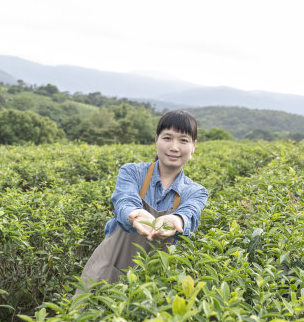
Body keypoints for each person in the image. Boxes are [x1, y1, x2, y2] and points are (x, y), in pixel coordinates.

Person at [77, 110, 208, 292]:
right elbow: (124, 200)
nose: (174, 147)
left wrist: (176, 220)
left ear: (193, 146)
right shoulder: (132, 173)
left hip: (155, 283)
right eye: (167, 138)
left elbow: (190, 213)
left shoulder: (196, 192)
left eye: (183, 140)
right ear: (156, 140)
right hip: (108, 269)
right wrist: (135, 214)